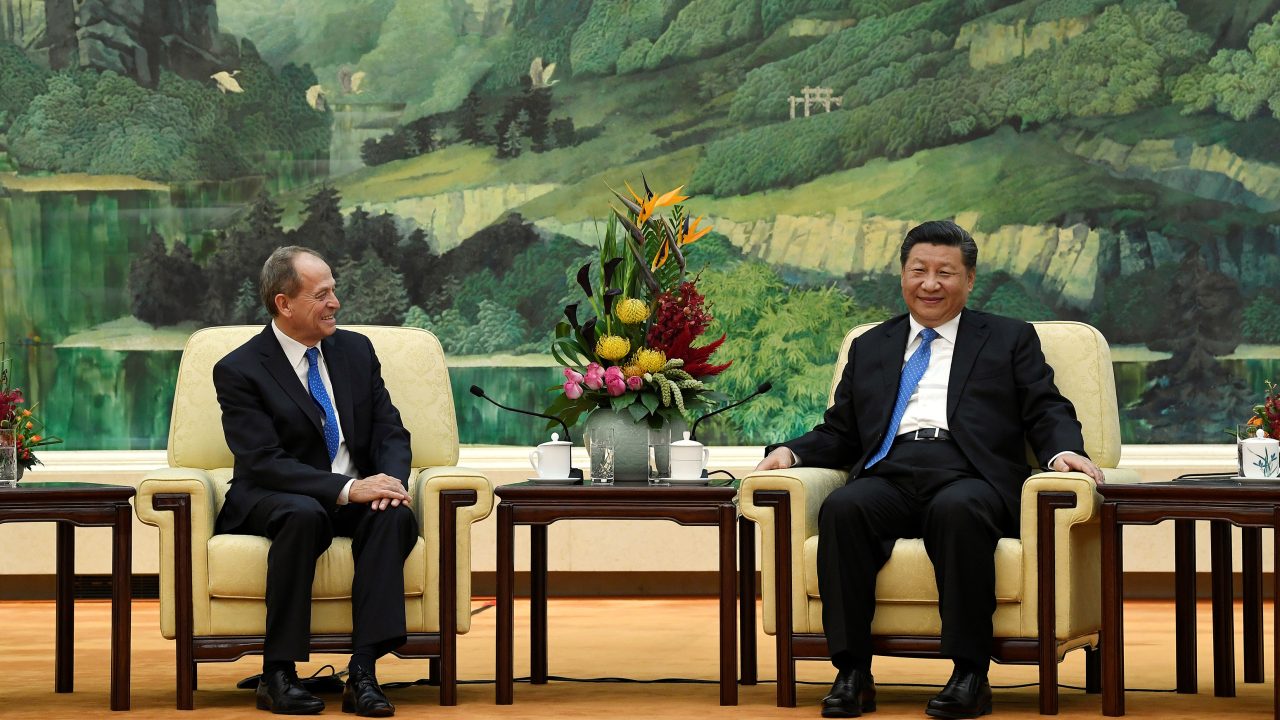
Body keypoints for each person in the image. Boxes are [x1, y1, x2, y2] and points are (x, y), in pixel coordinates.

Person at [754, 220, 1103, 719]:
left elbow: (1045, 408)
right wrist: (790, 453)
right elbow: (842, 431)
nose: (930, 283)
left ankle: (969, 675)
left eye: (945, 272)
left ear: (969, 280)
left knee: (958, 511)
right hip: (891, 471)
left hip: (968, 474)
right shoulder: (871, 345)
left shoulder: (1008, 338)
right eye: (919, 270)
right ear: (903, 275)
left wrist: (1061, 453)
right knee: (844, 509)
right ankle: (852, 673)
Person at [213, 246, 418, 717]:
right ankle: (278, 674)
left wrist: (387, 482)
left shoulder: (355, 350)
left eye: (334, 290)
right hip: (274, 494)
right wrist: (347, 489)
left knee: (392, 517)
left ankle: (363, 673)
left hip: (354, 492)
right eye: (322, 294)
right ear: (285, 304)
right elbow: (262, 460)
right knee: (303, 514)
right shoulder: (240, 369)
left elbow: (390, 429)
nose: (336, 302)